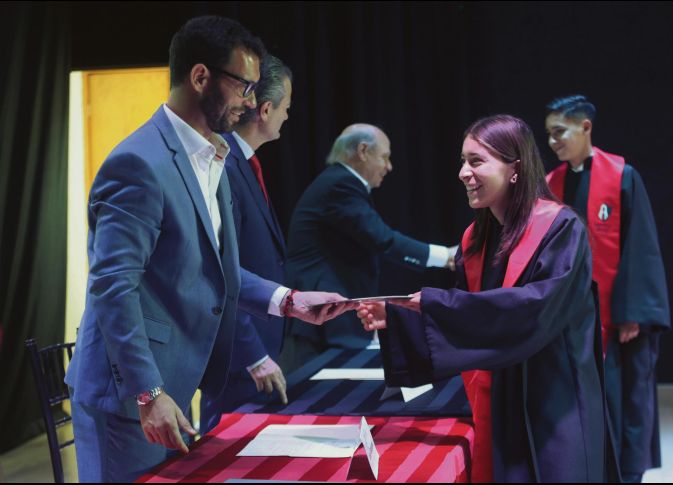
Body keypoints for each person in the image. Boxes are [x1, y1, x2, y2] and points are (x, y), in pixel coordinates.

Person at [64, 16, 350, 482]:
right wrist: (148, 393)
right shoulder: (138, 163)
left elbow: (217, 269)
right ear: (200, 77)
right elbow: (113, 287)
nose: (251, 102)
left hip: (173, 385)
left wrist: (289, 301)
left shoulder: (212, 155)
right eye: (244, 87)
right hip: (128, 397)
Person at [357, 115, 612, 482]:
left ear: (515, 169)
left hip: (553, 400)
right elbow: (471, 320)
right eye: (463, 161)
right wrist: (398, 316)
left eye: (476, 161)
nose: (463, 172)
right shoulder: (476, 240)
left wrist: (432, 303)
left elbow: (534, 311)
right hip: (500, 397)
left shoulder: (560, 229)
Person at [544, 95, 671, 483]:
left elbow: (640, 246)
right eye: (548, 134)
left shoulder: (622, 177)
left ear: (585, 127)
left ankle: (627, 476)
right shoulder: (552, 184)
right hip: (574, 320)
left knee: (626, 400)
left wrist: (633, 312)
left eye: (559, 132)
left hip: (619, 321)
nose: (552, 142)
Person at [281, 123, 457, 371]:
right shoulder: (340, 184)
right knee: (312, 391)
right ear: (363, 151)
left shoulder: (338, 182)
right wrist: (446, 256)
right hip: (319, 320)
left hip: (326, 317)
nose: (389, 166)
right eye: (384, 157)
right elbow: (383, 239)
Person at [200, 54, 294, 434]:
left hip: (258, 350)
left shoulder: (243, 160)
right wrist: (253, 354)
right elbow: (219, 270)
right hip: (239, 357)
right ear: (266, 110)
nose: (288, 116)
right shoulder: (222, 162)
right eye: (286, 107)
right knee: (224, 453)